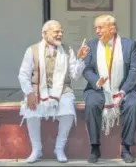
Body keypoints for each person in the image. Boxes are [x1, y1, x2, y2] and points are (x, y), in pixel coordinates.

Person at [18, 20, 89, 163]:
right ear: (45, 33)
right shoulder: (32, 50)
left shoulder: (67, 50)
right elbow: (23, 74)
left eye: (61, 31)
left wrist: (81, 58)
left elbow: (75, 75)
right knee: (30, 111)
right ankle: (36, 149)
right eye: (56, 32)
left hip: (63, 89)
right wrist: (29, 93)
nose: (60, 34)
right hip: (37, 89)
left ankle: (59, 147)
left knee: (68, 110)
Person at [82, 14, 136, 163]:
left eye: (100, 27)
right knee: (92, 104)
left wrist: (123, 90)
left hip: (124, 88)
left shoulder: (129, 45)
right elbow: (86, 69)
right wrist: (97, 81)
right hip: (98, 88)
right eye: (96, 28)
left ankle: (126, 147)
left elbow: (134, 71)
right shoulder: (92, 44)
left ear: (112, 29)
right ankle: (95, 146)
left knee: (133, 104)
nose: (97, 31)